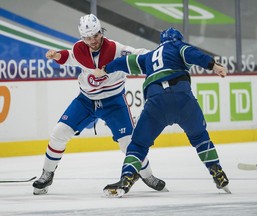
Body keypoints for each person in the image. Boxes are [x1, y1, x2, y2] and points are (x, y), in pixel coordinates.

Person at [32, 14, 166, 195]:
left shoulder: (115, 48)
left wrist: (160, 56)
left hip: (114, 102)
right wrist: (56, 55)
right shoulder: (79, 49)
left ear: (101, 32)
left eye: (95, 35)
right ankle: (47, 174)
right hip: (85, 101)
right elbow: (70, 56)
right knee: (59, 133)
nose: (92, 41)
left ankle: (148, 175)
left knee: (129, 144)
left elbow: (139, 54)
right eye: (87, 37)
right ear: (82, 37)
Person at [94, 27, 230, 197]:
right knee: (200, 137)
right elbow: (192, 53)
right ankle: (216, 171)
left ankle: (126, 178)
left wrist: (105, 69)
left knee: (138, 145)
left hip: (156, 103)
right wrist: (213, 65)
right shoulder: (177, 46)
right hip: (183, 99)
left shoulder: (149, 56)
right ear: (177, 39)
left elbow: (125, 62)